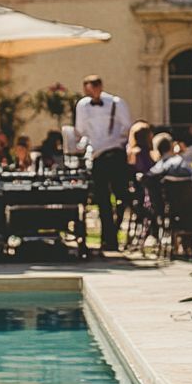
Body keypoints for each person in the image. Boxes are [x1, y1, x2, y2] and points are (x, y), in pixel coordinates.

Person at [74, 74, 132, 252]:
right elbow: (81, 129)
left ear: (99, 87)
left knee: (121, 196)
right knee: (102, 200)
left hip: (115, 154)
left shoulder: (116, 103)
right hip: (97, 156)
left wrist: (113, 140)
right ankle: (107, 237)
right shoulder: (83, 106)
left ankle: (115, 231)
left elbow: (127, 127)